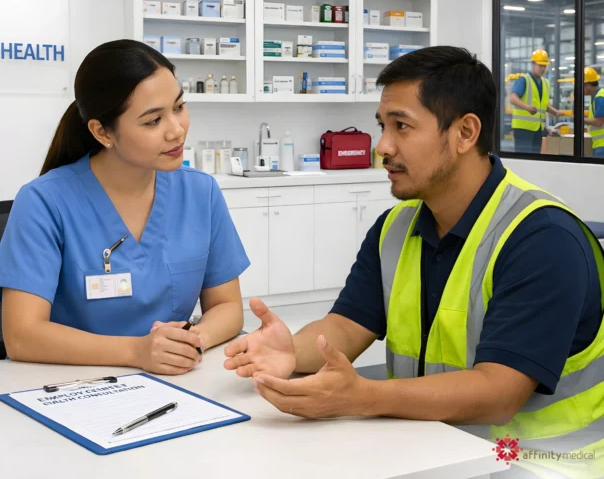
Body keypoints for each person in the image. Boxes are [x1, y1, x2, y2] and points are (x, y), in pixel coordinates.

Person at [224, 46, 604, 478]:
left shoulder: (541, 239)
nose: (382, 146)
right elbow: (346, 327)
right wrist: (289, 350)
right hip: (431, 448)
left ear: (465, 133)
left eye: (402, 126)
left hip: (539, 463)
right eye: (382, 126)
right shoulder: (396, 228)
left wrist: (363, 396)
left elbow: (498, 392)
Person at [0, 39, 249, 375]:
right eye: (153, 121)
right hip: (70, 385)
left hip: (176, 383)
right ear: (102, 132)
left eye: (179, 107)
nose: (177, 130)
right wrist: (138, 351)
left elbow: (227, 305)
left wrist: (190, 341)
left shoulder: (200, 191)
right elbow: (22, 336)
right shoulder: (44, 202)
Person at [509, 48, 563, 153]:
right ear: (533, 64)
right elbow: (513, 98)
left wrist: (554, 112)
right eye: (540, 65)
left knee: (535, 160)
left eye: (544, 66)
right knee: (524, 160)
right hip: (523, 129)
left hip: (538, 129)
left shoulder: (545, 83)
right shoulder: (524, 80)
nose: (542, 68)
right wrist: (527, 107)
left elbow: (543, 105)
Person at [582, 66, 604, 159]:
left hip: (602, 145)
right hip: (598, 144)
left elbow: (599, 122)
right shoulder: (595, 96)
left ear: (587, 85)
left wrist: (581, 120)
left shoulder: (600, 97)